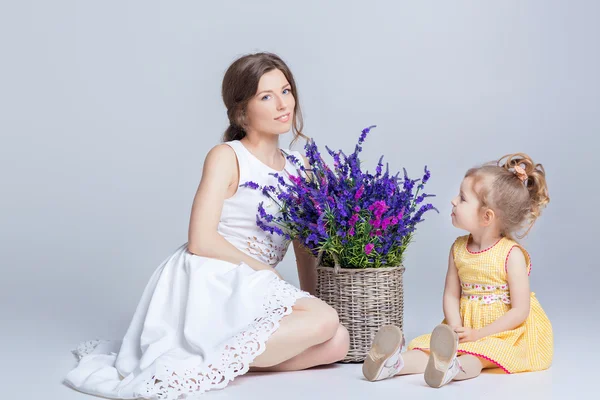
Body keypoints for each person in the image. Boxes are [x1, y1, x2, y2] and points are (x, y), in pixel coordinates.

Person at [65, 52, 349, 400]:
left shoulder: (300, 166)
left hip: (254, 283)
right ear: (241, 110)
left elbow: (303, 245)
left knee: (337, 342)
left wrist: (308, 298)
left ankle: (221, 361)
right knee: (323, 322)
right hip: (214, 276)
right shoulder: (227, 157)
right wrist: (268, 275)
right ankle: (197, 359)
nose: (282, 104)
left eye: (286, 91)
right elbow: (200, 240)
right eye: (266, 96)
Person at [362, 153, 553, 388]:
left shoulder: (511, 254)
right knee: (428, 347)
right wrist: (454, 328)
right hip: (464, 327)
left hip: (503, 331)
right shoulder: (459, 248)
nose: (453, 201)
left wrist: (479, 334)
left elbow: (520, 311)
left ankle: (454, 368)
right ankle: (392, 363)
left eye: (462, 198)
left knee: (479, 355)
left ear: (486, 216)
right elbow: (451, 294)